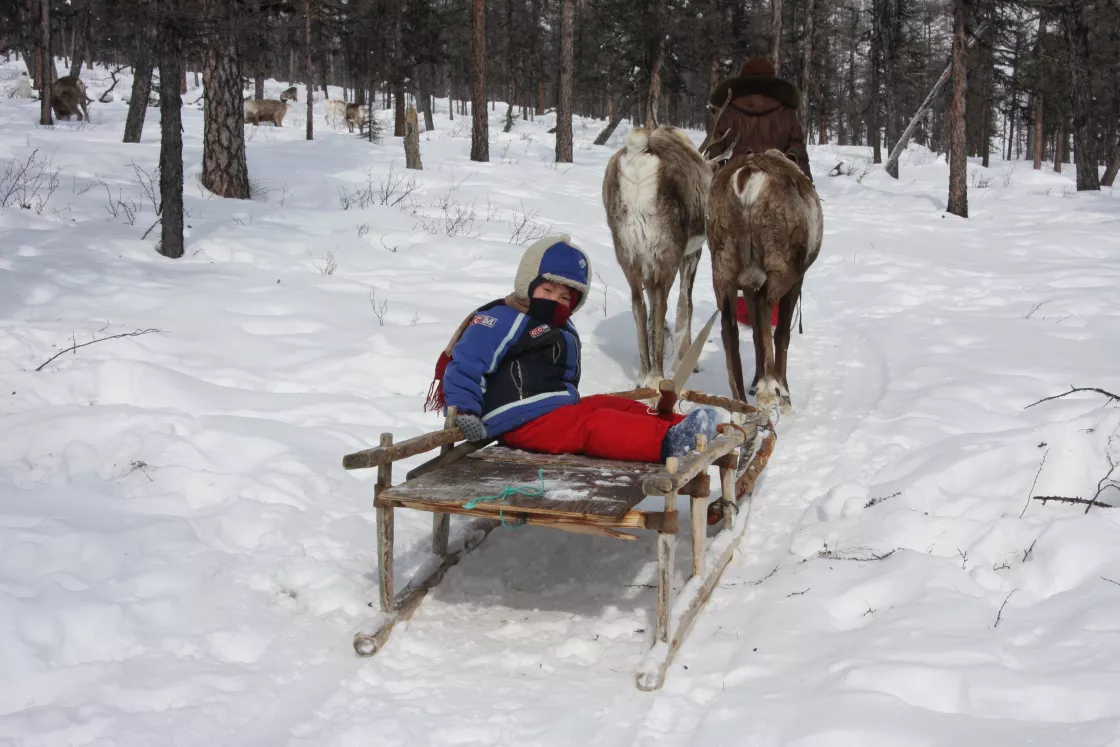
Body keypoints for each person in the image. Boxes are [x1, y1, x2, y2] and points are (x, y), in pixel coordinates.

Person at [424, 235, 718, 463]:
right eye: (547, 290)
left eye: (566, 297)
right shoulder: (504, 318)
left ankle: (686, 426)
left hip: (551, 410)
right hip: (518, 421)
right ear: (528, 284)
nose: (556, 300)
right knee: (593, 425)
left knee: (611, 405)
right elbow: (467, 364)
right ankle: (668, 441)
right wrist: (465, 411)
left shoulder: (557, 325)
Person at [707, 56, 813, 182]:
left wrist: (715, 184)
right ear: (773, 81)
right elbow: (798, 153)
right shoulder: (786, 112)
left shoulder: (727, 112)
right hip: (776, 186)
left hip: (735, 185)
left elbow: (713, 155)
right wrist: (806, 184)